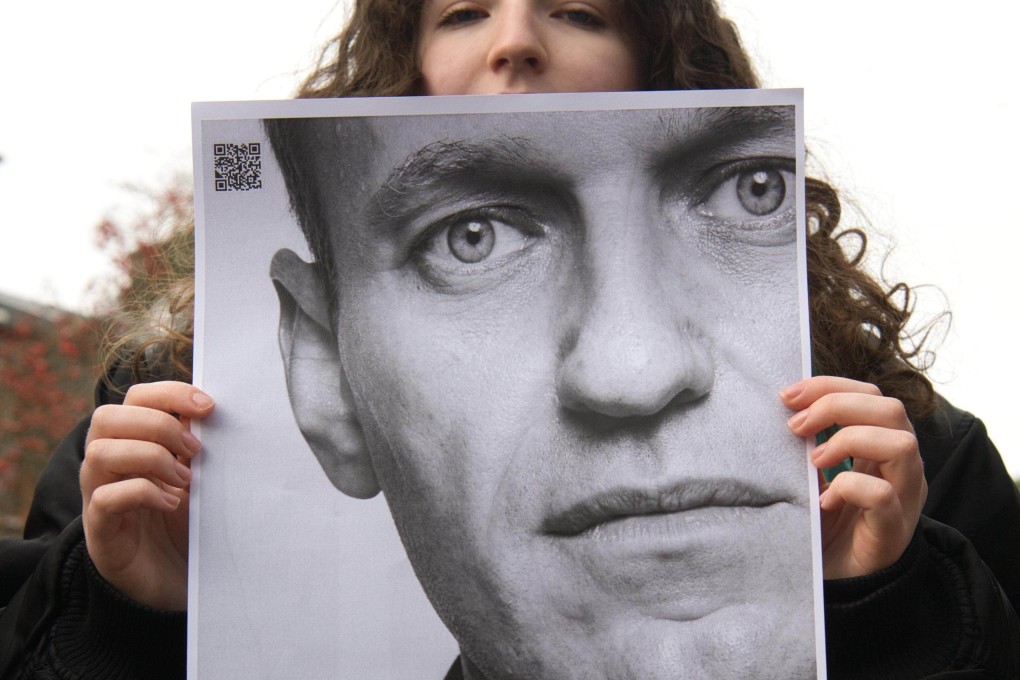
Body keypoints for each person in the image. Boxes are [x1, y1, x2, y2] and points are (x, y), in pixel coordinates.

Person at [0, 1, 1017, 678]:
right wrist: (130, 622)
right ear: (322, 366)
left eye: (578, 7)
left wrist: (890, 612)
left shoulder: (923, 462)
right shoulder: (160, 450)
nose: (517, 42)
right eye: (473, 235)